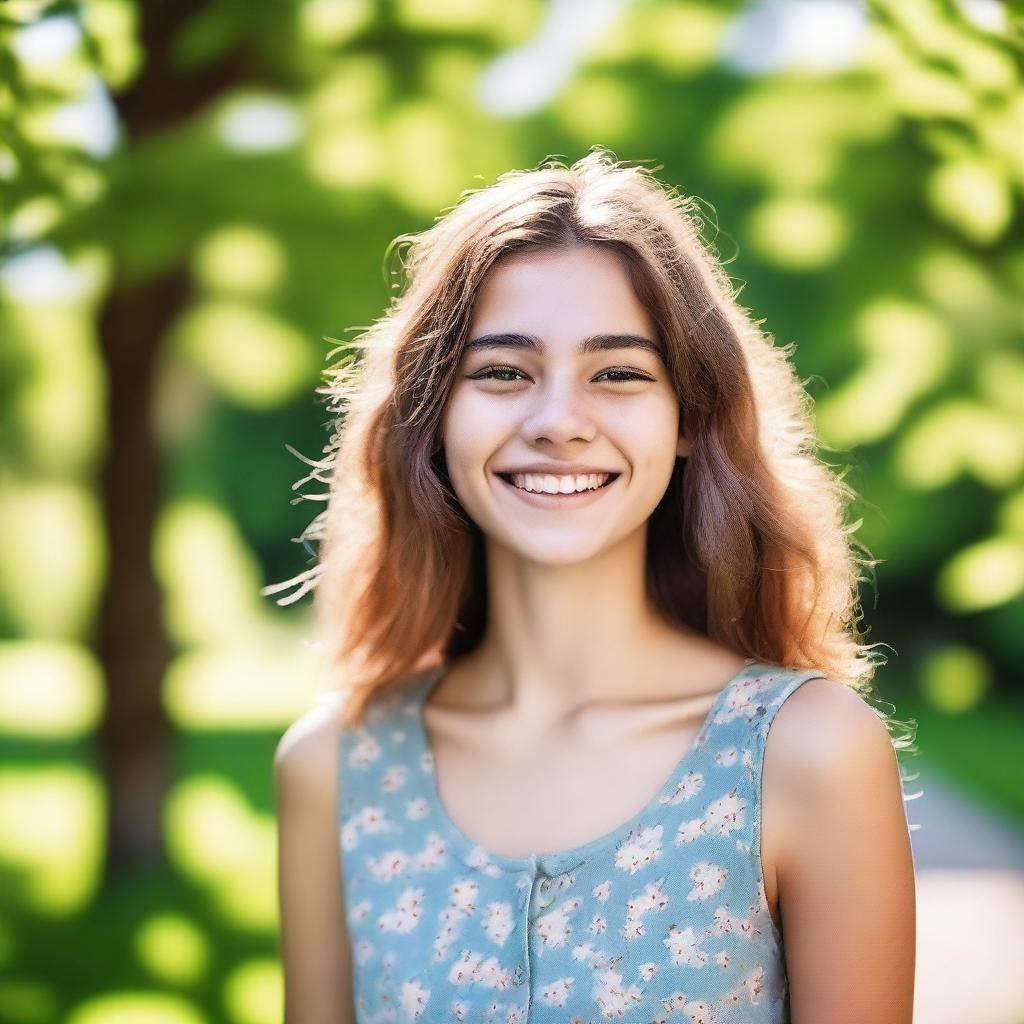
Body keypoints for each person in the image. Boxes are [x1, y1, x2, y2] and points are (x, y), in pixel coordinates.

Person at [270, 148, 918, 1024]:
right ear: (436, 418)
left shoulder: (808, 754)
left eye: (618, 373)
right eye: (503, 371)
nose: (558, 423)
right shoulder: (334, 769)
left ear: (690, 418)